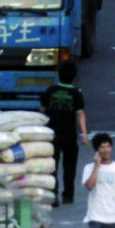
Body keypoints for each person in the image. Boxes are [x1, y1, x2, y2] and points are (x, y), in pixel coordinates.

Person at [43, 58, 88, 203]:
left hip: (52, 135)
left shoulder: (50, 91)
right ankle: (68, 195)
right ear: (74, 76)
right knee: (69, 167)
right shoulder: (76, 94)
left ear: (59, 74)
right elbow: (80, 114)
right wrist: (85, 134)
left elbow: (42, 113)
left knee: (52, 166)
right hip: (69, 136)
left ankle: (53, 194)